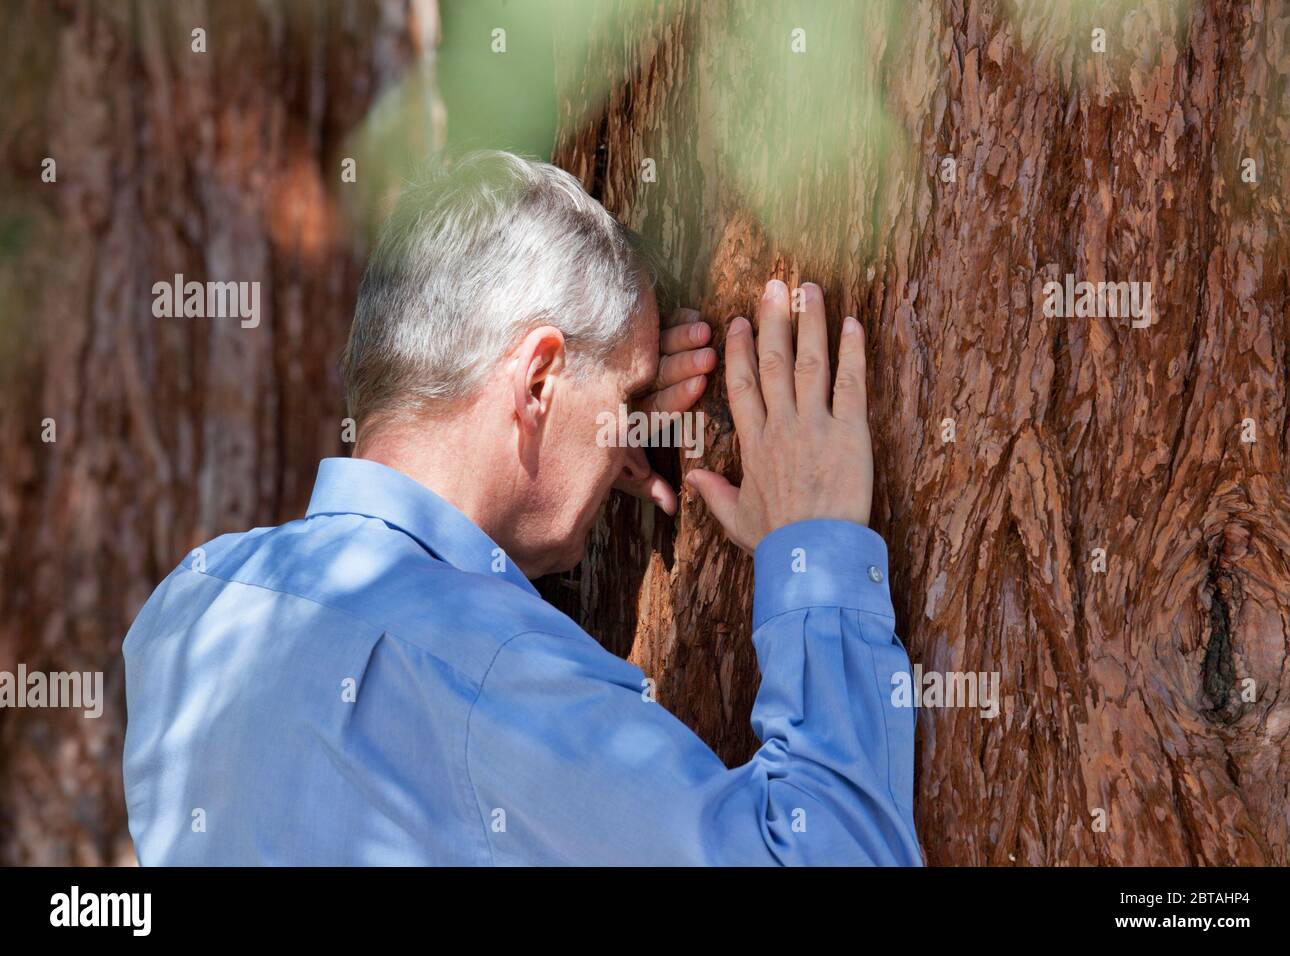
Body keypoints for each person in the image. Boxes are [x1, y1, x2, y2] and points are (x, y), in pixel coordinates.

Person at [122, 150, 922, 865]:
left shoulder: (189, 608)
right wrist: (817, 551)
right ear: (538, 379)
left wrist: (561, 456)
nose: (630, 433)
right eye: (631, 393)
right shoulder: (491, 673)